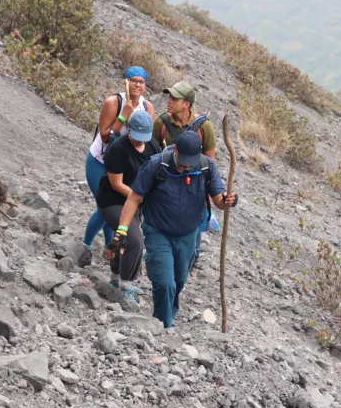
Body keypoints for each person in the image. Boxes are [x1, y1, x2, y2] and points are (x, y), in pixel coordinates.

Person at [109, 130, 237, 328]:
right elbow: (134, 198)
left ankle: (167, 315)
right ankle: (163, 324)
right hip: (158, 231)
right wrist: (122, 230)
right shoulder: (156, 165)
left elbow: (219, 200)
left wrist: (228, 200)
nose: (186, 166)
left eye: (190, 162)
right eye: (183, 161)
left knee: (178, 281)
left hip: (188, 235)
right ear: (175, 149)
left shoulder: (205, 166)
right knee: (164, 282)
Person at [83, 66, 156, 251]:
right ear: (126, 82)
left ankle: (111, 248)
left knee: (120, 208)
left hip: (124, 164)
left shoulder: (147, 107)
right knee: (105, 207)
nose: (137, 85)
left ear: (145, 85)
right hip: (100, 160)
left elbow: (147, 138)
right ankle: (86, 245)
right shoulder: (113, 102)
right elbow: (106, 135)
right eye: (133, 80)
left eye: (141, 82)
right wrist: (123, 115)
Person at [94, 110, 161, 305]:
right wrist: (140, 197)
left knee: (121, 236)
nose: (140, 142)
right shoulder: (117, 148)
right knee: (135, 240)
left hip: (137, 200)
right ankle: (126, 285)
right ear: (129, 130)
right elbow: (116, 184)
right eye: (137, 137)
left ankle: (115, 279)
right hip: (113, 201)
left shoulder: (153, 146)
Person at [152, 81, 217, 263]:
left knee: (193, 222)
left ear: (186, 104)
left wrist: (209, 193)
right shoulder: (161, 123)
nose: (169, 101)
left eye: (174, 98)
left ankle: (190, 258)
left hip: (194, 184)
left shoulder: (204, 127)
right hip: (167, 183)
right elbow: (151, 152)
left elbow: (210, 162)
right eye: (169, 97)